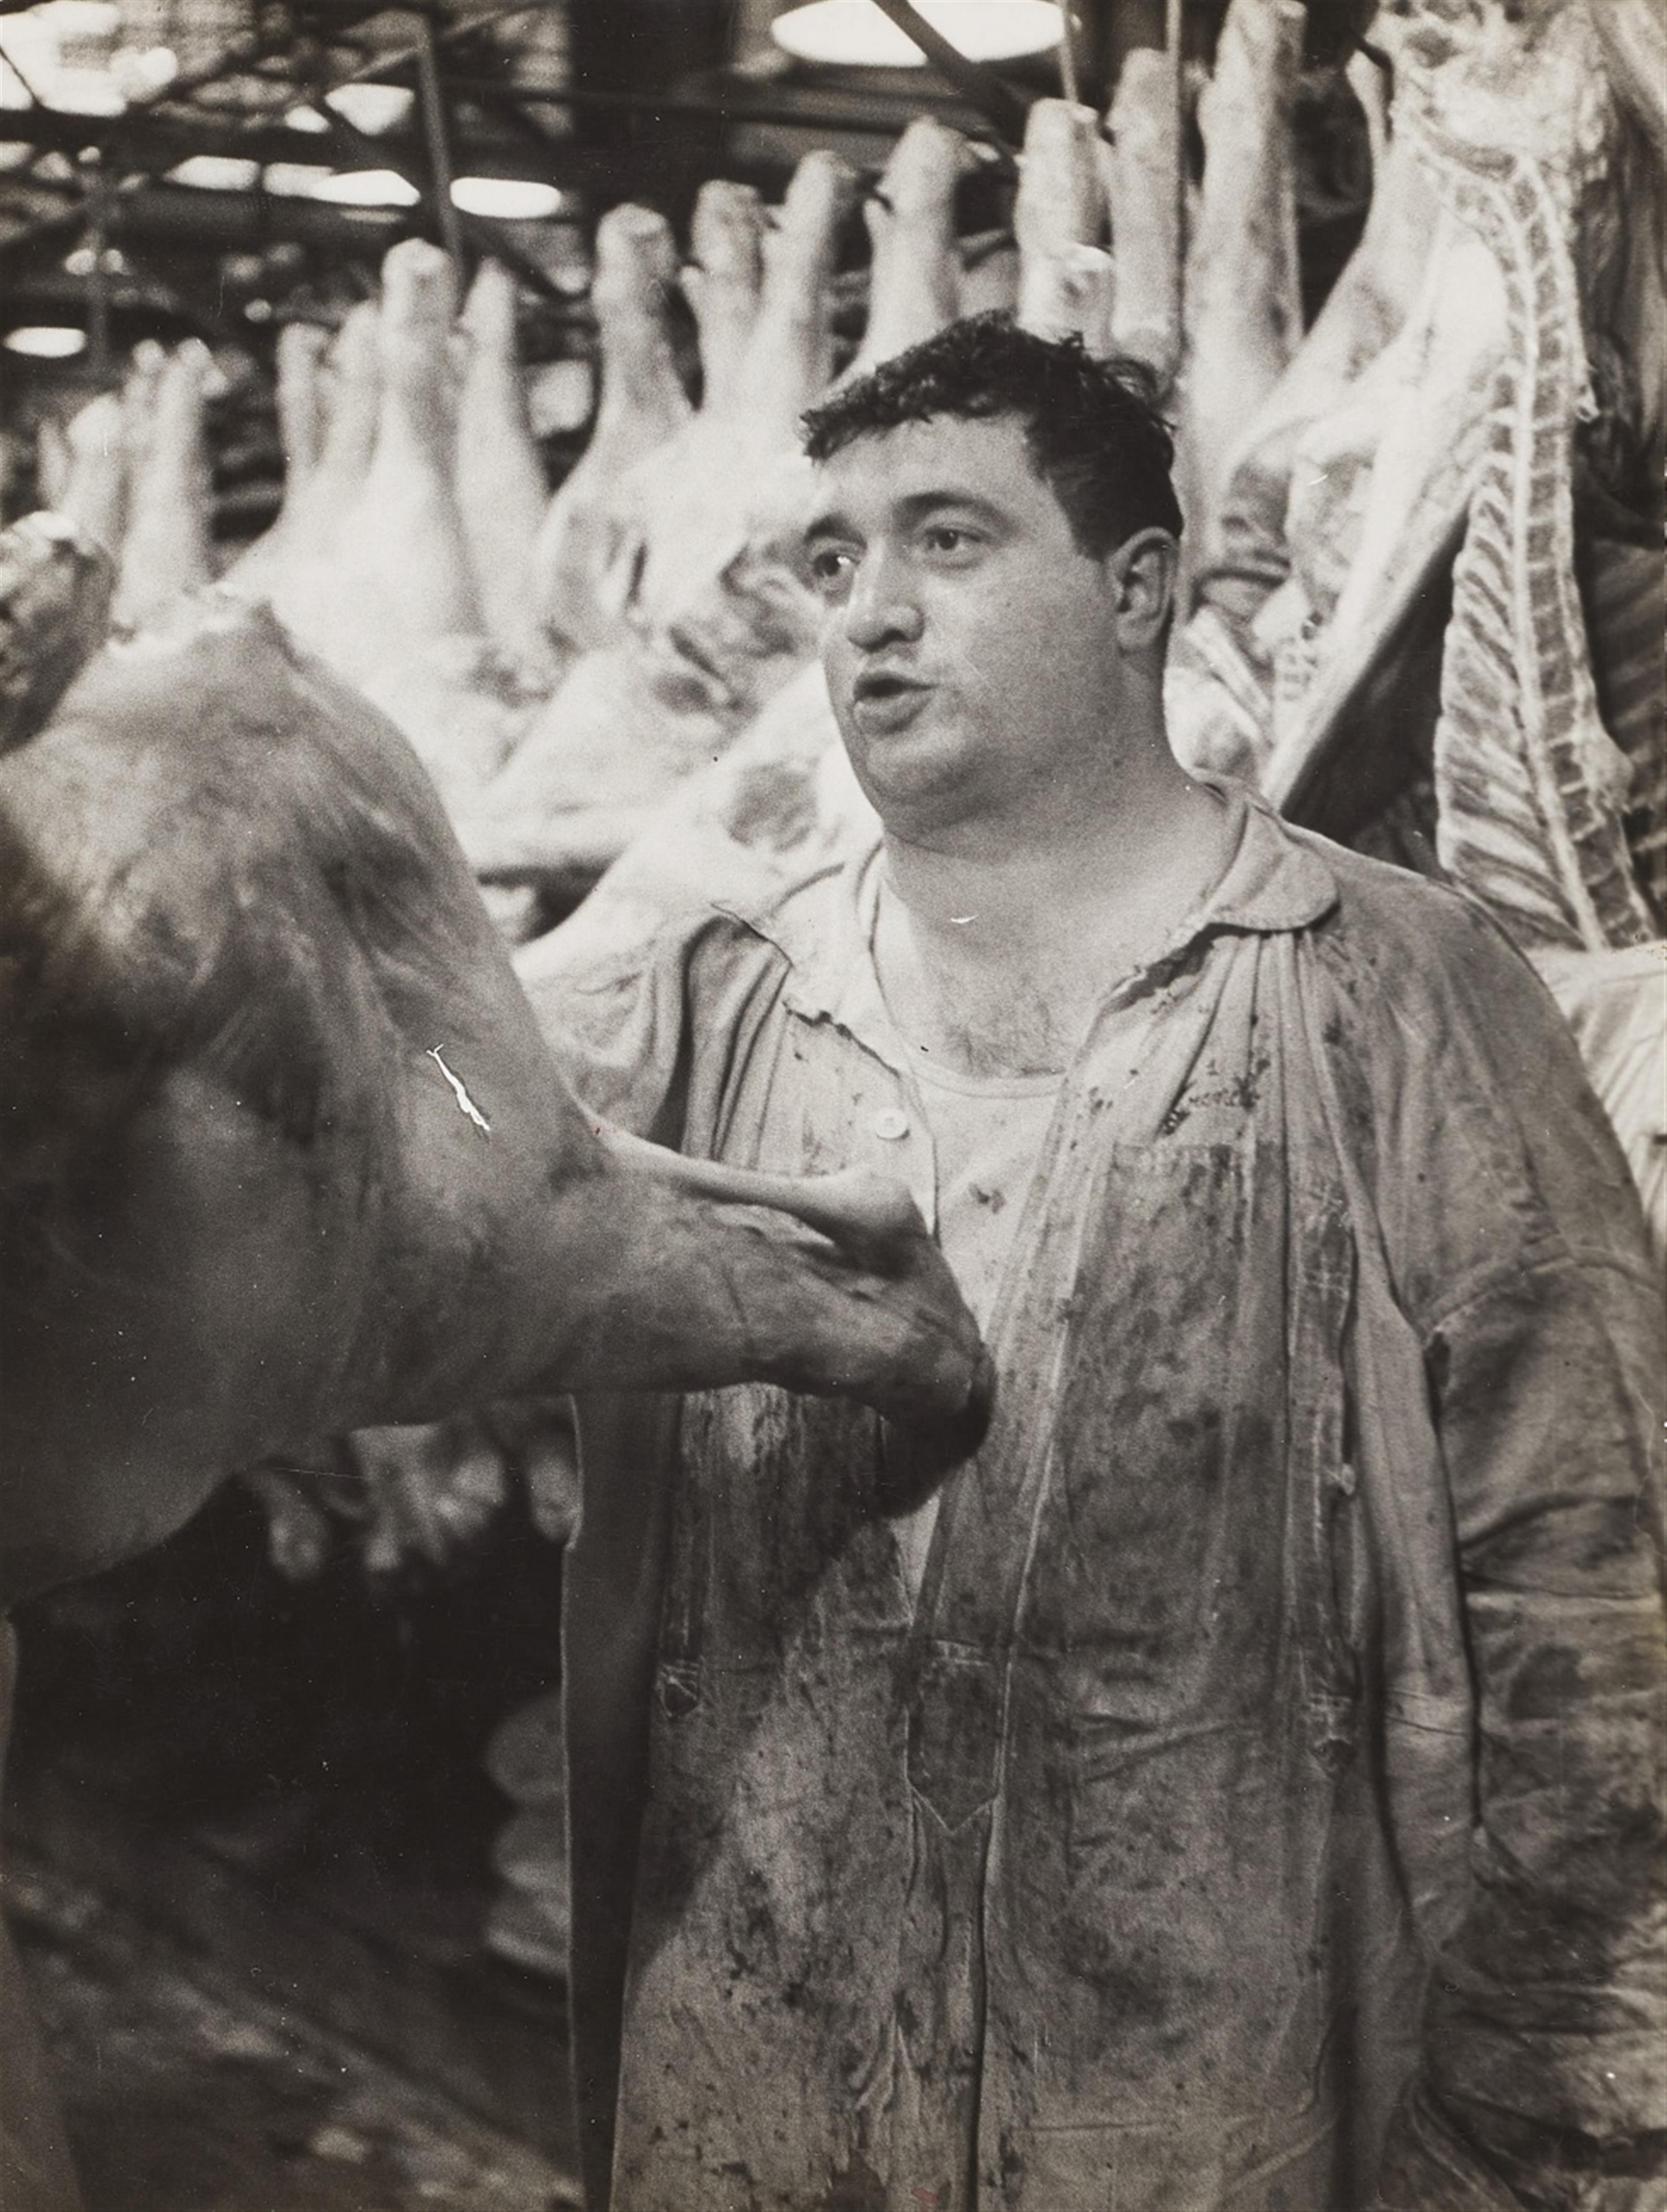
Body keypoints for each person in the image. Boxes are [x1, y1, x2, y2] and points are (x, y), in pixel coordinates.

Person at [521, 315, 1665, 2212]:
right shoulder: (717, 1010)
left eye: (947, 541)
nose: (870, 612)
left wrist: (1550, 2130)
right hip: (756, 2094)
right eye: (836, 562)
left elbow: (1595, 1617)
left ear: (1138, 589)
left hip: (1203, 2107)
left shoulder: (1391, 991)